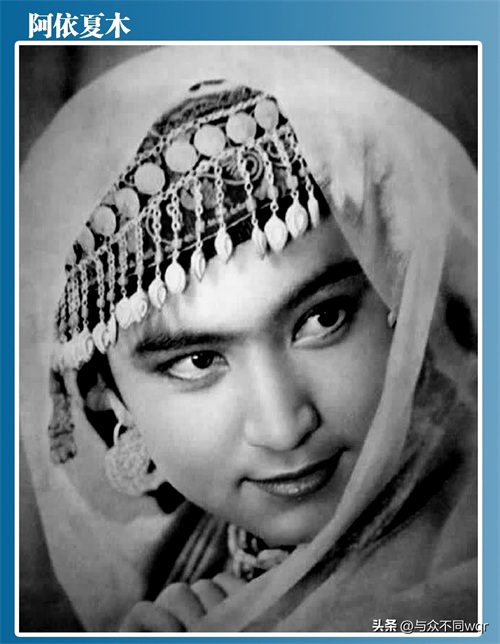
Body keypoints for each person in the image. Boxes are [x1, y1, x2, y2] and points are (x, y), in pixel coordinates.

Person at [19, 45, 478, 633]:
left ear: (401, 298)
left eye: (323, 319)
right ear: (115, 406)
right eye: (198, 361)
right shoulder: (184, 561)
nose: (283, 428)